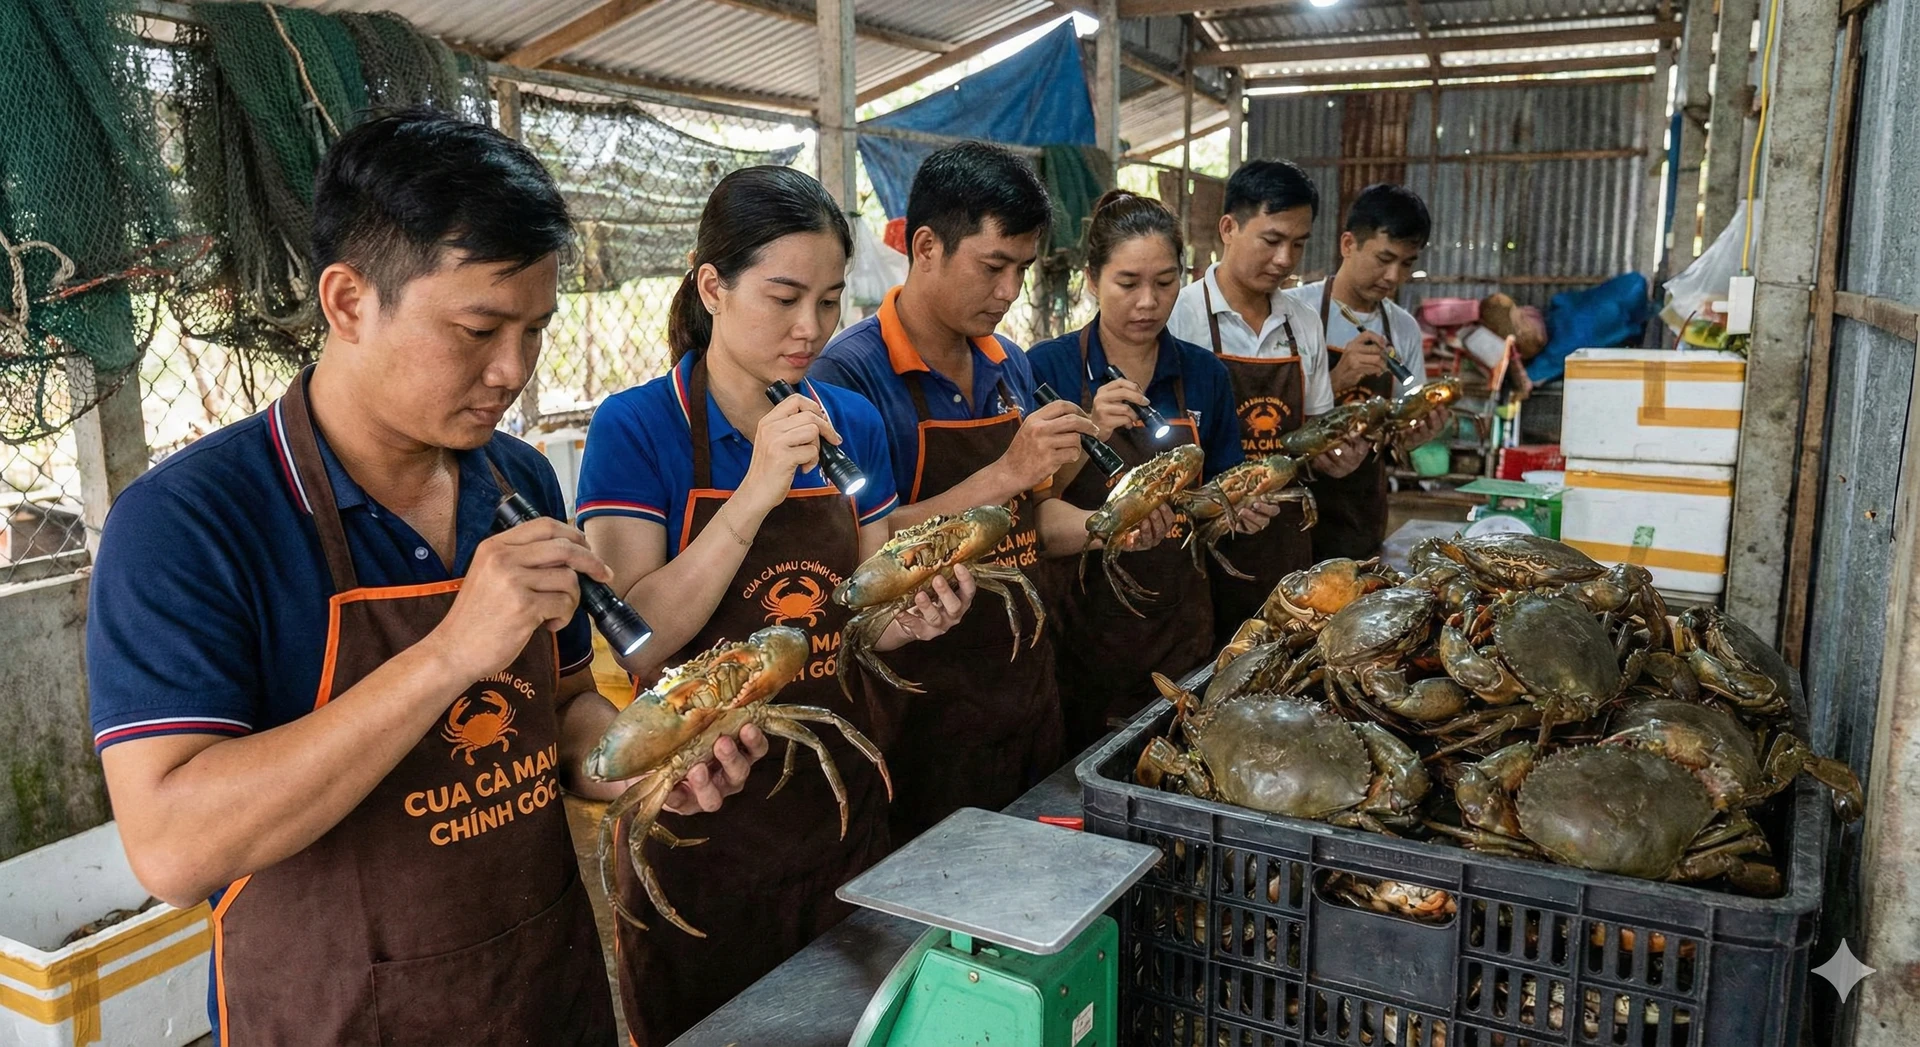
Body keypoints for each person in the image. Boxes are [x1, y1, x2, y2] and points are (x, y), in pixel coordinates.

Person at [85, 110, 767, 1045]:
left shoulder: (516, 477)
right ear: (348, 301)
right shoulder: (190, 523)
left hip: (539, 992)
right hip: (338, 1016)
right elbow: (170, 845)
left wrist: (645, 762)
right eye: (478, 328)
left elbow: (566, 703)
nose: (512, 371)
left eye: (535, 330)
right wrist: (450, 652)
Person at [574, 166, 972, 1044]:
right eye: (784, 296)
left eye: (830, 301)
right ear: (711, 284)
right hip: (698, 830)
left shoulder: (850, 424)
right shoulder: (636, 428)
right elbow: (639, 641)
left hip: (837, 810)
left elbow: (861, 608)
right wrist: (756, 486)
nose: (811, 330)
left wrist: (912, 616)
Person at [810, 141, 1105, 842]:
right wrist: (1004, 472)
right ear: (927, 247)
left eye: (1022, 271)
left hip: (1026, 688)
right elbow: (862, 554)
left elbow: (1030, 517)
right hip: (921, 716)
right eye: (993, 267)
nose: (1009, 293)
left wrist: (1105, 518)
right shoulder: (847, 377)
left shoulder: (1010, 361)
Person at [1028, 190, 1269, 754]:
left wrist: (1241, 509)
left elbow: (1218, 495)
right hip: (1080, 632)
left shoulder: (1203, 372)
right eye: (1128, 282)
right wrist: (1090, 431)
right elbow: (1029, 516)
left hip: (1178, 628)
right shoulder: (1047, 366)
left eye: (1165, 282)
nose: (1148, 302)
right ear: (1092, 279)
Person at [1167, 159, 1363, 645]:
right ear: (1228, 228)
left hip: (1283, 540)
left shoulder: (1302, 323)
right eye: (1272, 240)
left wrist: (1337, 458)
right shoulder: (1178, 313)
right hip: (1196, 547)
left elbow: (1314, 430)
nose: (1284, 259)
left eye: (1298, 244)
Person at [1285, 183, 1449, 562]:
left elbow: (1404, 431)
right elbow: (1272, 416)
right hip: (1294, 503)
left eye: (1406, 263)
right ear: (1348, 244)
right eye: (1383, 258)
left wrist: (1419, 433)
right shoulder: (1295, 310)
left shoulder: (1403, 328)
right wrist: (1338, 379)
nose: (1393, 276)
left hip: (1361, 511)